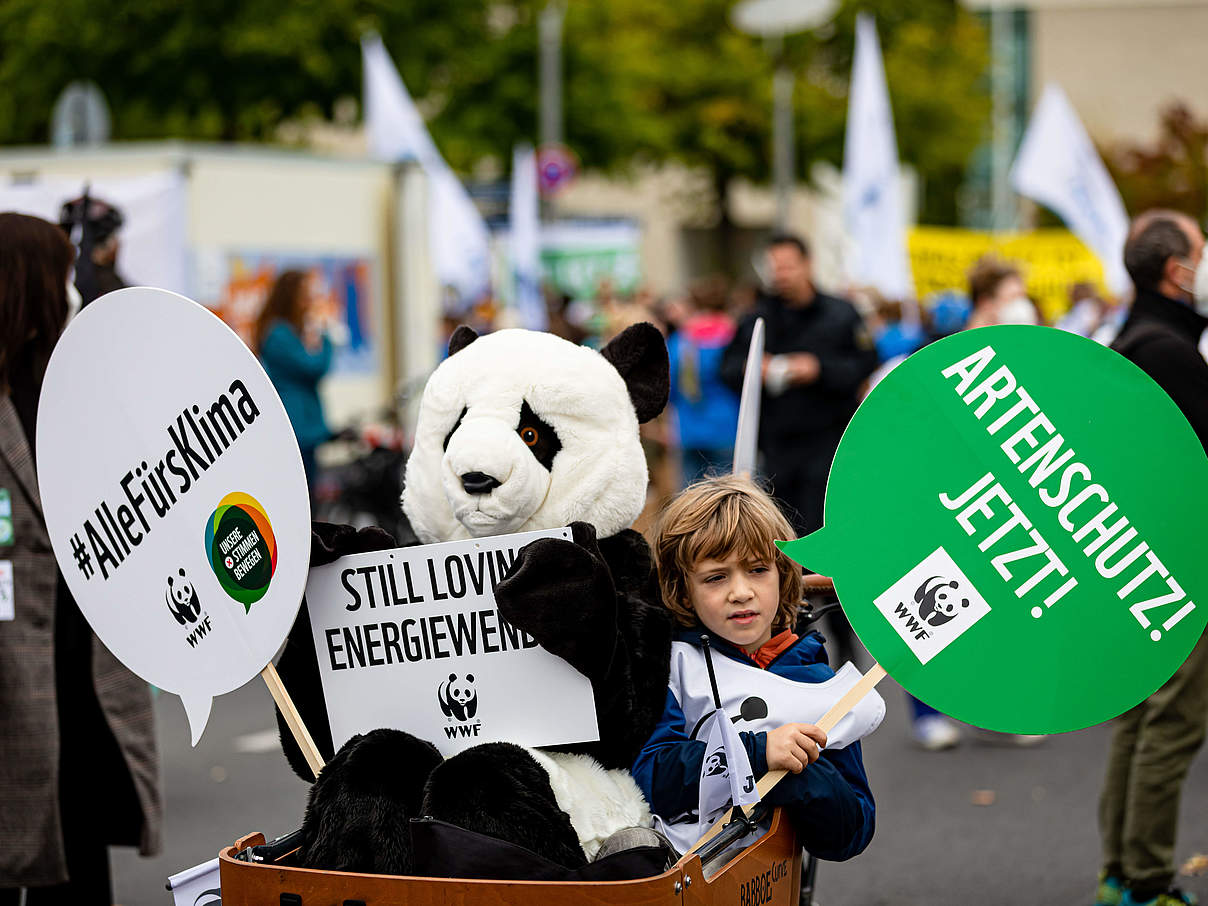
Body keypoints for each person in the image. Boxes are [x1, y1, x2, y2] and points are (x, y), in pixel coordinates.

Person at [0, 213, 161, 904]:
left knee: (78, 848)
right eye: (61, 277)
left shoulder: (75, 396)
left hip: (80, 665)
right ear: (27, 287)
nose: (73, 293)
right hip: (17, 664)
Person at [633, 476, 876, 861]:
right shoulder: (670, 665)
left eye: (758, 570)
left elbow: (851, 833)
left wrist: (801, 771)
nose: (741, 591)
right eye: (716, 577)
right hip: (671, 868)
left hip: (763, 877)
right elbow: (650, 779)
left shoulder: (820, 686)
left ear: (783, 574)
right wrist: (757, 753)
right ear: (682, 590)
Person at [1093, 210, 1208, 906]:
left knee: (1142, 717)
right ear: (1176, 269)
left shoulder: (1133, 339)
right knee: (1172, 722)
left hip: (1140, 560)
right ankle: (1145, 879)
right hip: (1176, 563)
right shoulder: (1167, 348)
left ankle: (1122, 872)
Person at [721, 233, 878, 537]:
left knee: (826, 524)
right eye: (775, 268)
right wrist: (754, 369)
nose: (781, 275)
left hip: (831, 443)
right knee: (781, 530)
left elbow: (866, 365)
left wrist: (818, 369)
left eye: (788, 267)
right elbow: (726, 369)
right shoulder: (756, 318)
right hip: (777, 446)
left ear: (807, 264)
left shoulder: (841, 314)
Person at [255, 269, 334, 498]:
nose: (310, 301)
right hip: (296, 428)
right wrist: (327, 340)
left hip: (305, 428)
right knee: (303, 500)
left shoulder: (292, 333)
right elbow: (313, 367)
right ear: (291, 297)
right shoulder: (278, 334)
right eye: (305, 295)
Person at [667, 276, 740, 485]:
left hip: (689, 427)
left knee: (690, 497)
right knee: (728, 493)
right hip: (727, 425)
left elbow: (669, 386)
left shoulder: (681, 339)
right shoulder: (733, 335)